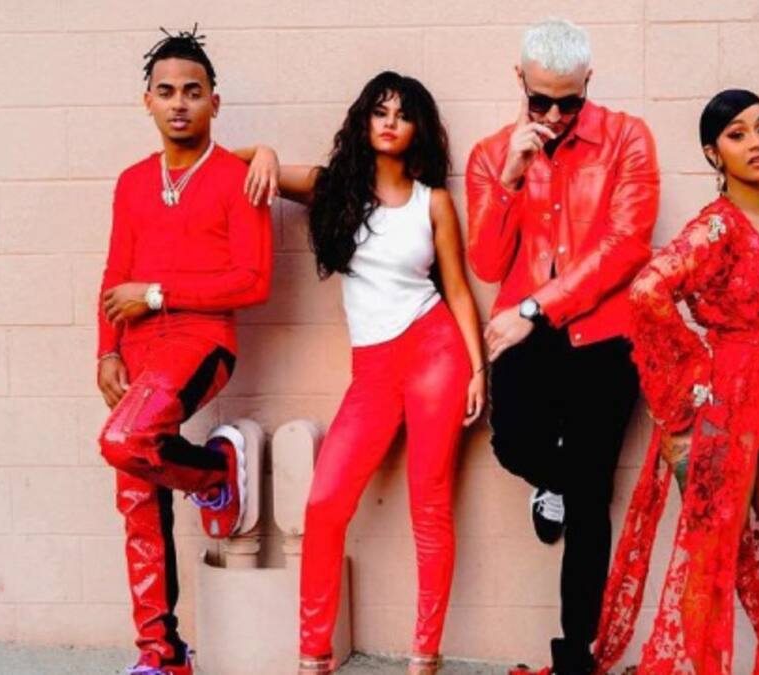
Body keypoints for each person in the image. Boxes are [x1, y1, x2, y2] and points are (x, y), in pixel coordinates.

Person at [594, 89, 759, 675]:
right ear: (712, 153)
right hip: (731, 398)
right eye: (737, 135)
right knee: (710, 568)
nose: (756, 143)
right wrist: (698, 373)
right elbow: (647, 291)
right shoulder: (717, 226)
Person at [237, 71, 486, 675]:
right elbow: (233, 163)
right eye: (380, 111)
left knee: (429, 505)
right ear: (365, 121)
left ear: (418, 128)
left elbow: (456, 287)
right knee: (324, 504)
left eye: (403, 113)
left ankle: (425, 654)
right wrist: (264, 152)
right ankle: (313, 654)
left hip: (436, 353)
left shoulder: (433, 202)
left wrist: (478, 368)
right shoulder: (333, 189)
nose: (391, 122)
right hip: (373, 369)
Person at [464, 18, 660, 675]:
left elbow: (627, 246)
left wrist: (535, 308)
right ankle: (552, 481)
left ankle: (575, 654)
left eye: (569, 102)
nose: (553, 116)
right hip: (527, 337)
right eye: (540, 100)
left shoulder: (628, 138)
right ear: (519, 81)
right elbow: (487, 262)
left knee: (591, 496)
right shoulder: (492, 154)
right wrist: (510, 178)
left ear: (588, 83)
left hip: (603, 337)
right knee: (514, 445)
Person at [95, 27, 272, 675]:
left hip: (200, 342)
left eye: (192, 92)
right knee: (136, 492)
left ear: (213, 102)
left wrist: (159, 293)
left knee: (124, 441)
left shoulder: (238, 177)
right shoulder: (131, 182)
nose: (179, 103)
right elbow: (114, 273)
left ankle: (215, 476)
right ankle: (161, 654)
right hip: (136, 352)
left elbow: (253, 281)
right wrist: (106, 352)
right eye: (166, 92)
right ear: (147, 101)